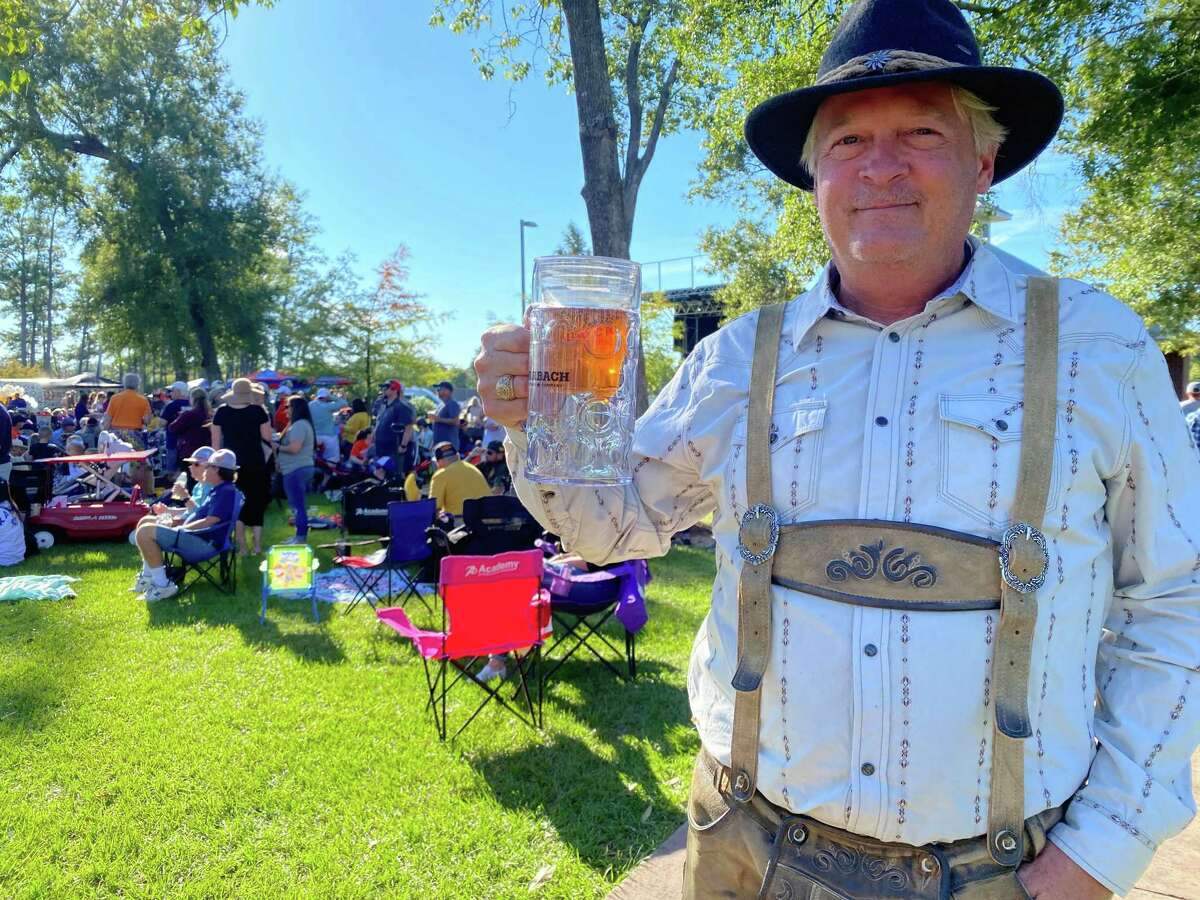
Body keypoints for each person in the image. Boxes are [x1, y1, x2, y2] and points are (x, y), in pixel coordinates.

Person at [476, 3, 1200, 897]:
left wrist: (1108, 846)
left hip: (995, 875)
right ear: (815, 175)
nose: (881, 165)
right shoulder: (739, 357)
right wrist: (531, 420)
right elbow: (610, 527)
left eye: (922, 131)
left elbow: (1173, 600)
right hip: (742, 848)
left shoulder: (1101, 348)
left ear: (984, 163)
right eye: (849, 139)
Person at [131, 448, 241, 602]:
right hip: (199, 538)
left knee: (144, 532)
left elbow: (211, 521)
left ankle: (163, 586)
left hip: (203, 544)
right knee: (146, 522)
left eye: (208, 466)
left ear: (217, 470)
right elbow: (202, 516)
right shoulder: (220, 490)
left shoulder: (225, 492)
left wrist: (182, 529)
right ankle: (149, 579)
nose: (205, 469)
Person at [211, 378, 273, 556]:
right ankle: (257, 545)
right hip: (256, 461)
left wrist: (216, 464)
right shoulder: (258, 411)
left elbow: (215, 444)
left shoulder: (221, 412)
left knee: (236, 504)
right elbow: (267, 438)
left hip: (230, 463)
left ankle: (242, 546)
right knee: (256, 502)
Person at [274, 394, 315, 545]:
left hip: (296, 469)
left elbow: (294, 448)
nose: (285, 411)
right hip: (295, 469)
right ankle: (299, 535)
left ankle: (300, 537)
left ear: (295, 408)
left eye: (287, 407)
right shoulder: (298, 424)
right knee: (297, 505)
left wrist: (277, 446)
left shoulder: (299, 425)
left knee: (298, 506)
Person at [102, 374, 152, 494]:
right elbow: (147, 420)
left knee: (115, 463)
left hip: (116, 434)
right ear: (137, 384)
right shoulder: (142, 400)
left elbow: (107, 420)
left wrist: (106, 432)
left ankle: (115, 491)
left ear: (124, 384)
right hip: (134, 434)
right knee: (139, 463)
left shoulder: (115, 398)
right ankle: (140, 492)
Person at [427, 441, 489, 521]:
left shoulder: (441, 475)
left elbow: (433, 508)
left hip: (462, 523)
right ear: (457, 456)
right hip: (488, 520)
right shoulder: (473, 469)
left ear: (439, 461)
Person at [167, 389, 213, 492]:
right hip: (207, 453)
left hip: (190, 452)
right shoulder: (209, 414)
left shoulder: (189, 414)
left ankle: (191, 503)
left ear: (192, 399)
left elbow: (173, 428)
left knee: (191, 481)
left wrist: (180, 417)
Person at [374, 380, 415, 473]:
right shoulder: (385, 406)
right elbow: (379, 423)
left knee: (393, 473)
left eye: (386, 387)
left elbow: (408, 427)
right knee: (380, 471)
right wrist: (374, 435)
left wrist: (403, 445)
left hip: (393, 448)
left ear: (394, 389)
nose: (383, 390)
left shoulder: (401, 407)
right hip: (381, 447)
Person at [160, 381, 190, 473]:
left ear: (178, 391)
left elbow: (162, 423)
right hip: (188, 442)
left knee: (171, 469)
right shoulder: (192, 404)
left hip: (173, 441)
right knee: (186, 469)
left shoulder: (171, 406)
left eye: (172, 391)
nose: (170, 393)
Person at [308, 387, 341, 462]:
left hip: (314, 436)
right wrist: (332, 397)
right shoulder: (329, 406)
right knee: (332, 459)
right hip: (329, 436)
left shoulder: (310, 405)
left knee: (314, 459)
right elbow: (343, 402)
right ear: (327, 397)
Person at [430, 381, 461, 450]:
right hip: (439, 444)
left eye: (439, 389)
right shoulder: (441, 404)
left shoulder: (452, 404)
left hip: (448, 445)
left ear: (447, 391)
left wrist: (438, 419)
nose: (437, 391)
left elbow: (456, 422)